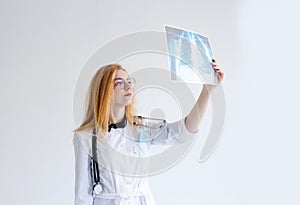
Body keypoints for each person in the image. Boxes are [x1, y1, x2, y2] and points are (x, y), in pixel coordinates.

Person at [73, 63, 224, 205]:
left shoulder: (141, 127)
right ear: (103, 91)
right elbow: (82, 195)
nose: (128, 86)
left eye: (129, 81)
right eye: (119, 83)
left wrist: (207, 91)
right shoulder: (85, 137)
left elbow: (183, 131)